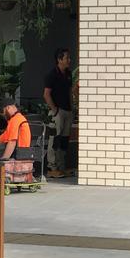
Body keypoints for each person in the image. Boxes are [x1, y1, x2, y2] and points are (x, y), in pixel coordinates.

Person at [43, 48, 73, 178]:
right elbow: (46, 94)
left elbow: (69, 92)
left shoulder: (68, 73)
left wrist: (72, 108)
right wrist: (55, 110)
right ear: (59, 60)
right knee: (54, 139)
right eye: (67, 58)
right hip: (57, 112)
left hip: (68, 111)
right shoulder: (52, 74)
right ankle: (52, 167)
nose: (69, 60)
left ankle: (62, 167)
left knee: (64, 140)